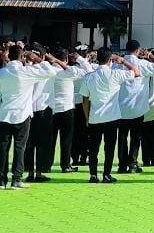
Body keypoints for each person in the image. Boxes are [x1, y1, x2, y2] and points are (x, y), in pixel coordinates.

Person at [0, 45, 61, 190]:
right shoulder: (26, 72)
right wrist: (38, 59)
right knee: (20, 148)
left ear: (9, 57)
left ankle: (1, 180)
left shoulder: (2, 73)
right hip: (22, 114)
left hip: (4, 114)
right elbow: (52, 72)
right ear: (22, 57)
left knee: (3, 148)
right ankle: (16, 179)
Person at [79, 48, 140, 183]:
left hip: (95, 117)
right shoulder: (115, 74)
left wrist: (87, 117)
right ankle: (106, 174)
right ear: (110, 60)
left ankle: (93, 175)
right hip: (111, 117)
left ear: (97, 59)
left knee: (94, 148)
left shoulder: (89, 76)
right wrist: (123, 61)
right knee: (109, 148)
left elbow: (84, 100)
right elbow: (137, 72)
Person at [116, 40, 154, 174]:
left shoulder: (117, 65)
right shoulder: (142, 64)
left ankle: (122, 164)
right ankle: (133, 163)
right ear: (138, 50)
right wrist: (153, 58)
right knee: (135, 138)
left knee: (122, 137)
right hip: (137, 107)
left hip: (121, 107)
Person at [25, 45, 68, 181]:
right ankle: (39, 172)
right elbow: (61, 70)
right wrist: (45, 60)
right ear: (42, 56)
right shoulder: (47, 69)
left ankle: (30, 172)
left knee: (30, 143)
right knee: (42, 142)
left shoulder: (26, 69)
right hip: (44, 108)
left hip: (29, 110)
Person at [50, 48, 91, 174]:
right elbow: (89, 71)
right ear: (66, 59)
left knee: (50, 139)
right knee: (66, 139)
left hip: (51, 108)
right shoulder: (70, 71)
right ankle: (65, 165)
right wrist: (79, 58)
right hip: (67, 108)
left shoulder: (48, 70)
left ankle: (46, 165)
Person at [70, 45, 93, 167]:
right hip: (83, 104)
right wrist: (82, 60)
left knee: (76, 133)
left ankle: (75, 157)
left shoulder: (70, 68)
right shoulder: (86, 68)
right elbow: (89, 72)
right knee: (84, 132)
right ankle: (83, 157)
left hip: (74, 104)